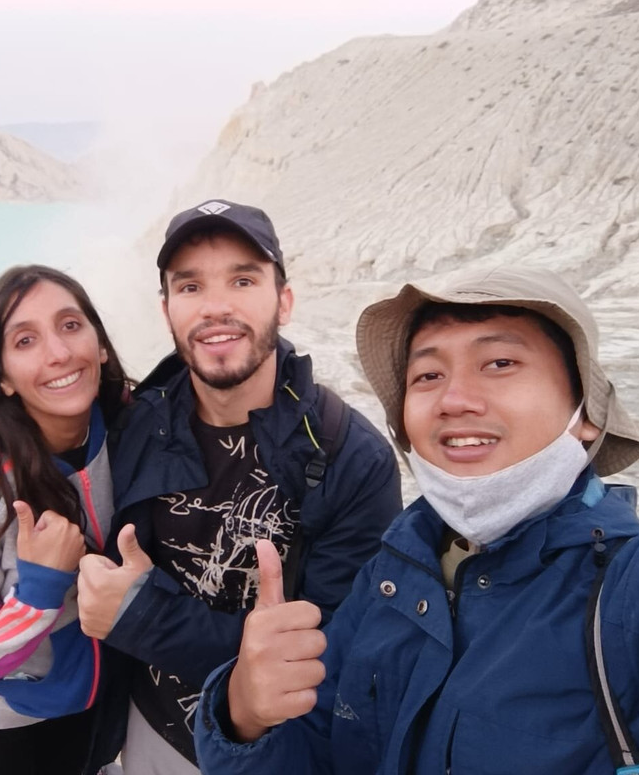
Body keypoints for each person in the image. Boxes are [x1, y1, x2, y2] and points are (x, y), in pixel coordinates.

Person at [194, 264, 639, 774]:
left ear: (587, 414)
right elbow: (318, 755)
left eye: (500, 363)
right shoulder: (387, 581)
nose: (455, 399)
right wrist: (243, 715)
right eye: (428, 377)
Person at [76, 199, 402, 774]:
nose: (216, 307)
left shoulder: (350, 456)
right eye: (191, 287)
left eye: (243, 279)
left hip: (275, 749)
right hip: (151, 730)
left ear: (285, 300)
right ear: (167, 309)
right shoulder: (137, 426)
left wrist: (138, 616)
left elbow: (331, 655)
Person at [0, 265, 131, 775]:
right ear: (3, 378)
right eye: (26, 340)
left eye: (71, 325)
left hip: (98, 701)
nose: (58, 352)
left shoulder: (128, 432)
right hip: (2, 734)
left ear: (100, 344)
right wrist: (38, 591)